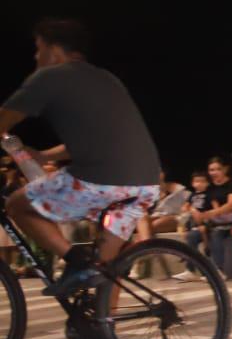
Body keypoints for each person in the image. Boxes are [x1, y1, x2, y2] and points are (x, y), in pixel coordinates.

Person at [0, 20, 160, 299]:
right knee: (106, 268)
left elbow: (3, 120)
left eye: (38, 49)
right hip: (145, 183)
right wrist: (44, 155)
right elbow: (100, 138)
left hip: (101, 180)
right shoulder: (107, 78)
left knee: (17, 205)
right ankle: (104, 334)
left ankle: (75, 260)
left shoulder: (49, 76)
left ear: (54, 50)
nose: (36, 57)